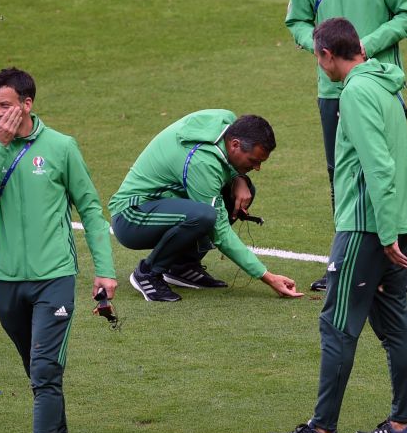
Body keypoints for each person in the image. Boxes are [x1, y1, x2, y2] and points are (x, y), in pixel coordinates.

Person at [268, 18, 407, 433]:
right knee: (394, 327)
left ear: (328, 55)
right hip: (394, 222)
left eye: (319, 59)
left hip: (367, 227)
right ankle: (401, 424)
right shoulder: (385, 83)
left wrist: (387, 232)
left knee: (336, 325)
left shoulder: (354, 92)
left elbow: (378, 165)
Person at [0, 67, 118, 433]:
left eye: (5, 107)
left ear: (28, 105)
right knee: (39, 372)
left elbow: (89, 207)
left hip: (55, 280)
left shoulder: (61, 147)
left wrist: (104, 271)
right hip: (6, 283)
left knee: (45, 370)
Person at [286, 0, 407, 293]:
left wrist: (367, 45)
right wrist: (315, 45)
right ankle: (344, 258)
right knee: (342, 173)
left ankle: (404, 263)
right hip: (332, 90)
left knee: (390, 167)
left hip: (379, 85)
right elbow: (296, 21)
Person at [109, 110, 303, 302]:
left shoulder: (226, 120)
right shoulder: (202, 162)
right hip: (131, 217)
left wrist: (239, 178)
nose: (257, 168)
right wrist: (267, 277)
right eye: (254, 161)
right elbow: (220, 232)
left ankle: (182, 266)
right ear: (235, 145)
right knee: (204, 216)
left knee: (241, 192)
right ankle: (147, 273)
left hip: (163, 201)